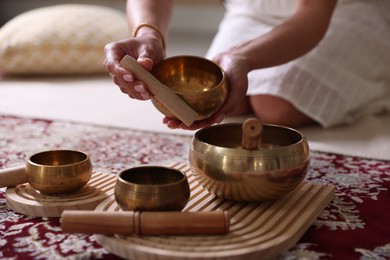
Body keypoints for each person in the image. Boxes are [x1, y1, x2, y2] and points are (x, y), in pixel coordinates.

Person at [104, 0, 390, 130]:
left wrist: (243, 56)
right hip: (253, 9)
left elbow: (313, 13)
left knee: (275, 105)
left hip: (341, 11)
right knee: (225, 96)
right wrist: (148, 33)